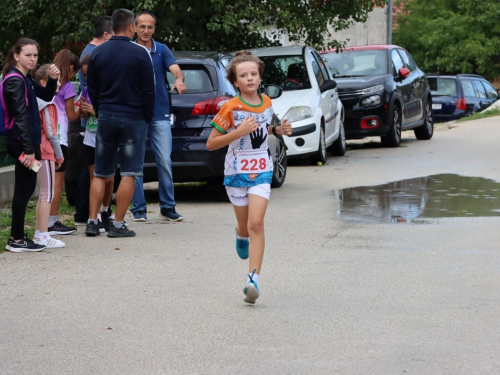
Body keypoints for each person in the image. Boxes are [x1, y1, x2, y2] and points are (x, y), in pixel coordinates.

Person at [206, 51, 292, 304]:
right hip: (235, 173)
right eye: (244, 75)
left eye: (253, 74)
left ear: (259, 76)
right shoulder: (230, 108)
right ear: (235, 82)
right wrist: (238, 132)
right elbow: (211, 144)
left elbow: (264, 130)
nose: (250, 78)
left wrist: (278, 130)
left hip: (262, 171)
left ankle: (253, 280)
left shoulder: (266, 102)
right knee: (245, 227)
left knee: (257, 223)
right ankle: (239, 233)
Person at [85, 8, 155, 238]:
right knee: (129, 172)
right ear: (130, 27)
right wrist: (147, 115)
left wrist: (100, 108)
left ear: (113, 27)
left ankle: (92, 221)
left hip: (106, 115)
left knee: (101, 172)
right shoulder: (140, 52)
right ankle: (117, 224)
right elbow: (148, 90)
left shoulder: (98, 52)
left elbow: (92, 88)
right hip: (134, 117)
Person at [2, 38, 60, 252]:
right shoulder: (15, 80)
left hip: (28, 142)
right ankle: (16, 240)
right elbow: (21, 117)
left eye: (35, 55)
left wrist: (52, 79)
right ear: (16, 55)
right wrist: (28, 151)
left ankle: (18, 237)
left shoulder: (24, 78)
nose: (33, 59)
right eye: (28, 55)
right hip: (22, 143)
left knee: (25, 190)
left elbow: (45, 95)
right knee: (23, 191)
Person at [130, 11, 185, 223]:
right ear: (134, 27)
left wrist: (178, 79)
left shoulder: (161, 49)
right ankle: (139, 209)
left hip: (159, 113)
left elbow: (176, 70)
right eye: (142, 26)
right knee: (135, 164)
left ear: (155, 29)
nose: (146, 31)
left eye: (150, 27)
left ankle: (168, 207)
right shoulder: (130, 50)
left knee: (164, 161)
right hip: (134, 115)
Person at [73, 15, 114, 226]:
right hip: (92, 134)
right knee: (94, 173)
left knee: (104, 175)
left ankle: (101, 211)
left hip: (104, 131)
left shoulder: (95, 54)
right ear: (107, 34)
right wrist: (85, 111)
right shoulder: (93, 55)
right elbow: (79, 109)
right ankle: (91, 215)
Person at [48, 49, 81, 236]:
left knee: (46, 181)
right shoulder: (67, 86)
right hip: (59, 138)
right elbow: (71, 115)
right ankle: (52, 222)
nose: (74, 75)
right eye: (74, 71)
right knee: (58, 182)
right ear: (70, 68)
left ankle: (44, 220)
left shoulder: (46, 80)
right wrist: (81, 109)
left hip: (45, 137)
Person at [32, 64, 65, 248]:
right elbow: (51, 133)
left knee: (43, 193)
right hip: (47, 153)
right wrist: (59, 156)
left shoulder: (37, 101)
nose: (58, 84)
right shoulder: (47, 103)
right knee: (48, 193)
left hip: (40, 152)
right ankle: (43, 235)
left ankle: (40, 232)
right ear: (44, 82)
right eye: (56, 80)